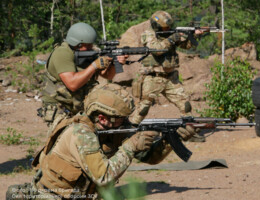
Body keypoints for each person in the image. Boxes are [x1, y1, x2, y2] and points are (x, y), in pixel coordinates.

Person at [6, 83, 197, 199]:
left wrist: (173, 140)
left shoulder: (111, 129)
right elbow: (103, 176)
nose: (127, 122)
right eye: (122, 117)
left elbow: (150, 158)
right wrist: (130, 146)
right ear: (103, 118)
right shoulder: (80, 133)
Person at [38, 22, 127, 128]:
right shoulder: (62, 53)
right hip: (60, 107)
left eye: (91, 44)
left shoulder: (89, 52)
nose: (91, 47)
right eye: (87, 45)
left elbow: (108, 76)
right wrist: (94, 65)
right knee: (70, 139)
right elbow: (72, 84)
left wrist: (114, 62)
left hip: (78, 104)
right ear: (77, 43)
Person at [130, 11, 204, 125]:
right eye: (165, 27)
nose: (168, 28)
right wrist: (171, 39)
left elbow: (186, 46)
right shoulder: (149, 34)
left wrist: (195, 35)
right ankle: (131, 129)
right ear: (157, 26)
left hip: (171, 78)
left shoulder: (170, 34)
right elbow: (156, 50)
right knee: (143, 109)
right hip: (153, 78)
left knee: (185, 105)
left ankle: (189, 131)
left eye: (169, 27)